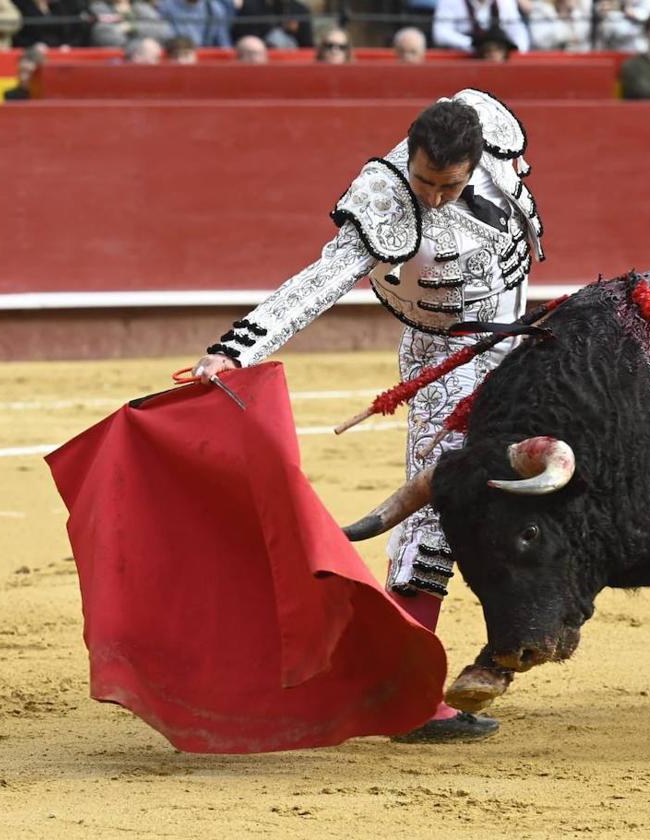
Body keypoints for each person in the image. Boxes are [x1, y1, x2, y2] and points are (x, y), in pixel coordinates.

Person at [189, 91, 545, 743]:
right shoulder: (385, 202)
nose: (434, 196)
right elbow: (319, 283)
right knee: (435, 507)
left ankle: (516, 637)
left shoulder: (492, 137)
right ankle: (405, 693)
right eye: (424, 180)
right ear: (407, 159)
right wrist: (234, 350)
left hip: (516, 350)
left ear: (476, 162)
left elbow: (514, 252)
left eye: (449, 184)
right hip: (443, 362)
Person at [433, 0, 531, 53]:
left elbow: (518, 30)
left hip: (499, 56)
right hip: (462, 57)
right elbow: (440, 33)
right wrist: (473, 45)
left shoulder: (505, 2)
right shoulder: (450, 1)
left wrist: (518, 52)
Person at [91, 0, 174, 48]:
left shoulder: (140, 6)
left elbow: (165, 30)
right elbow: (106, 34)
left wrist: (131, 27)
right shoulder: (98, 8)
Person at [232, 0, 313, 49]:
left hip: (292, 64)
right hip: (258, 63)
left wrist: (292, 32)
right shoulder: (250, 6)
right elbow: (242, 39)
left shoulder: (299, 10)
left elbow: (307, 46)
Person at [11, 0, 88, 47]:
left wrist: (67, 45)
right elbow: (17, 34)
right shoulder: (20, 4)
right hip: (32, 52)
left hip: (60, 51)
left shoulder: (58, 5)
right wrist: (32, 46)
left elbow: (71, 31)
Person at [158, 0, 234, 46]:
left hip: (204, 61)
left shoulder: (214, 9)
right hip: (176, 57)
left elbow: (224, 44)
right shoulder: (166, 6)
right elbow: (164, 37)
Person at [527, 0, 592, 51]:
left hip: (575, 63)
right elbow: (539, 41)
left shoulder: (580, 14)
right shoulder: (541, 10)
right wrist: (568, 36)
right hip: (549, 62)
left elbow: (583, 39)